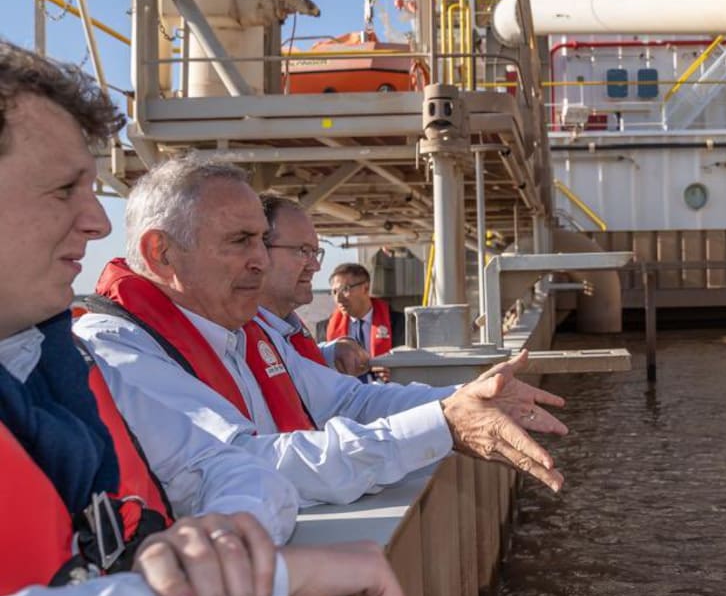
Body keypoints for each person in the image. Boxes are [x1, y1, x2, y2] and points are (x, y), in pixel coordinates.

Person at [0, 40, 405, 596]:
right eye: (62, 190)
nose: (94, 222)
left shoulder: (61, 361)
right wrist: (258, 581)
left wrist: (223, 541)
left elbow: (225, 463)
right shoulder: (116, 347)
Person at [76, 155, 569, 510]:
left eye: (262, 242)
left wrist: (464, 399)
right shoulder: (118, 349)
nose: (260, 259)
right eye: (240, 241)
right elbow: (242, 465)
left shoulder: (238, 332)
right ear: (162, 252)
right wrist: (443, 424)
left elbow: (348, 402)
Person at [258, 194, 369, 378]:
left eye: (315, 253)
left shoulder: (284, 329)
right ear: (258, 251)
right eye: (303, 251)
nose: (316, 266)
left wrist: (328, 354)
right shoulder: (235, 342)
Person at [318, 261, 403, 383]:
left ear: (366, 288)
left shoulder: (399, 323)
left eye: (345, 289)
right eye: (335, 292)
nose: (338, 299)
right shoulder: (324, 329)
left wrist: (396, 374)